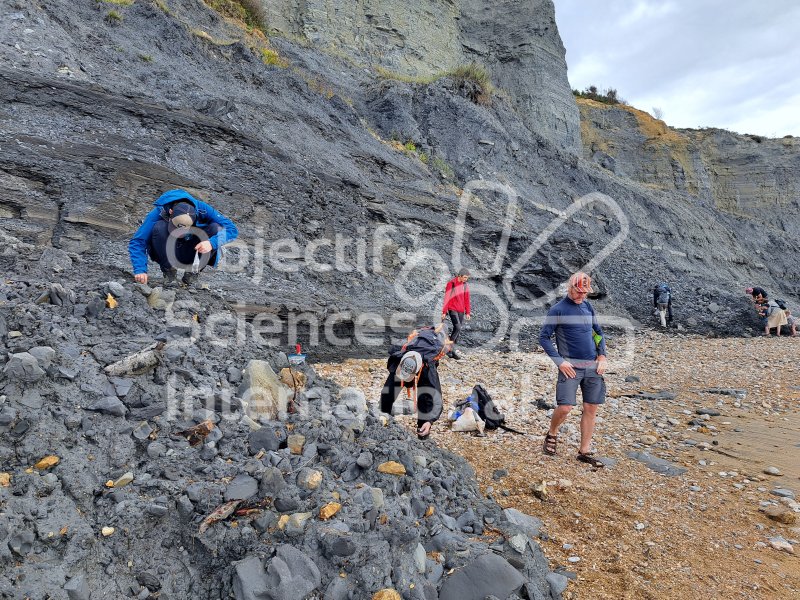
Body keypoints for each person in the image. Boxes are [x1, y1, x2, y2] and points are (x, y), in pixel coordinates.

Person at [539, 272, 607, 468]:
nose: (582, 296)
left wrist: (602, 355)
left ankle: (584, 451)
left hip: (592, 366)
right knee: (566, 407)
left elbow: (598, 333)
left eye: (585, 293)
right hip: (570, 367)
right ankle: (552, 433)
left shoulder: (587, 306)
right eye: (579, 292)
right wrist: (559, 361)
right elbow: (544, 338)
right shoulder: (557, 310)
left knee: (590, 407)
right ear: (570, 288)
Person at [129, 189, 238, 286]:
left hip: (193, 250)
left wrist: (211, 243)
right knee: (159, 227)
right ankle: (169, 272)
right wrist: (140, 270)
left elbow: (232, 229)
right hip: (168, 250)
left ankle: (192, 273)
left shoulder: (203, 210)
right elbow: (138, 241)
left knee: (215, 228)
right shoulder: (159, 212)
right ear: (171, 212)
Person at [380, 324, 451, 439]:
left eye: (409, 376)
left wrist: (429, 421)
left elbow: (434, 396)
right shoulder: (401, 355)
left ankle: (423, 433)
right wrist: (383, 412)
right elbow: (388, 390)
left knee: (425, 395)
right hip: (415, 348)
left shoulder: (428, 367)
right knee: (392, 387)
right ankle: (384, 416)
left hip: (428, 355)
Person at [441, 268, 471, 359]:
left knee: (458, 330)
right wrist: (444, 312)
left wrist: (468, 312)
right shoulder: (451, 283)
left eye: (467, 277)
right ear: (460, 276)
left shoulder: (465, 285)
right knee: (457, 327)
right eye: (465, 277)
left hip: (461, 310)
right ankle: (450, 349)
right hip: (452, 309)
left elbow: (467, 299)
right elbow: (447, 298)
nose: (466, 279)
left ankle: (451, 350)